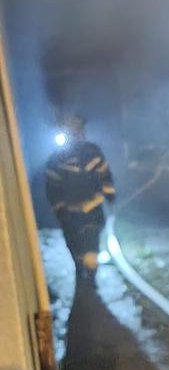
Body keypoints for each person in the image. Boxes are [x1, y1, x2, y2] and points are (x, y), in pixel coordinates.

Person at [46, 115, 115, 284]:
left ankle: (91, 277)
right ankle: (80, 271)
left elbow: (104, 174)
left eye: (77, 130)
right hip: (70, 213)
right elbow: (53, 188)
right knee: (74, 244)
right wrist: (60, 209)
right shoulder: (56, 160)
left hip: (93, 208)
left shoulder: (92, 152)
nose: (76, 134)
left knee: (92, 243)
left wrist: (109, 193)